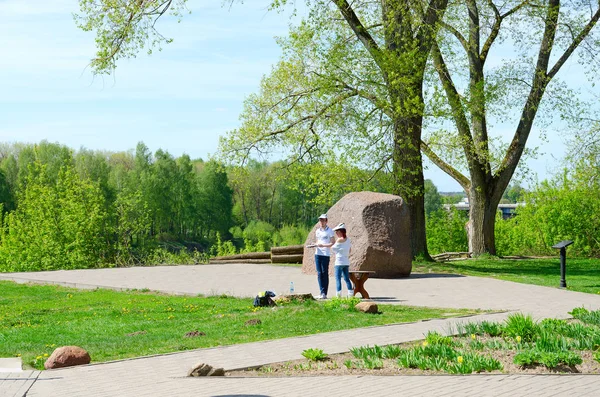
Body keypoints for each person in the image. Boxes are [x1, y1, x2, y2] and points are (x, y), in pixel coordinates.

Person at [318, 222, 353, 298]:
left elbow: (333, 248)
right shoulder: (348, 240)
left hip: (339, 262)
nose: (336, 233)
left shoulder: (339, 240)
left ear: (340, 232)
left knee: (338, 279)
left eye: (337, 232)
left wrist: (338, 250)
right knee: (347, 279)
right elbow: (349, 250)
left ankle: (338, 295)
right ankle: (351, 294)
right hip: (346, 262)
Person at [313, 214, 335, 299]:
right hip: (318, 253)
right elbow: (317, 241)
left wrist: (324, 245)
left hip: (325, 254)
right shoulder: (318, 231)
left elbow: (333, 242)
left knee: (324, 272)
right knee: (319, 273)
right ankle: (321, 292)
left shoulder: (330, 231)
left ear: (326, 221)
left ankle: (325, 292)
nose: (321, 222)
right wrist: (316, 244)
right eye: (320, 220)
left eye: (323, 220)